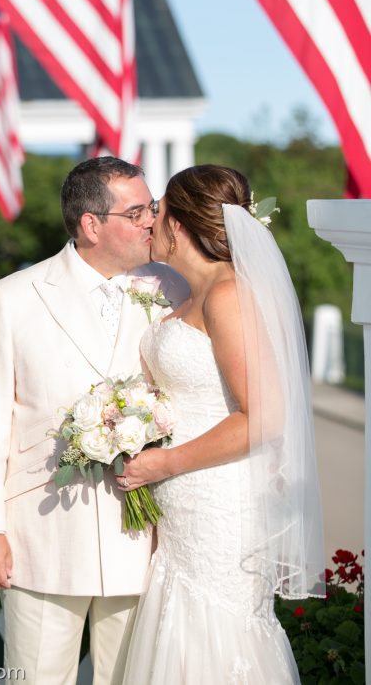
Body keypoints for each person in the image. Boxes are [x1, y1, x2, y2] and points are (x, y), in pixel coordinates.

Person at [0, 157, 190, 685]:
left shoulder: (171, 289)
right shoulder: (14, 297)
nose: (152, 221)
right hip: (40, 532)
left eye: (151, 208)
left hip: (142, 532)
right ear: (91, 223)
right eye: (137, 212)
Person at [117, 164, 325, 684]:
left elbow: (266, 417)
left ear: (180, 227)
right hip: (184, 508)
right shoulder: (192, 294)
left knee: (216, 634)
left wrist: (163, 462)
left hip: (219, 503)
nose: (150, 224)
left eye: (158, 212)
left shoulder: (228, 296)